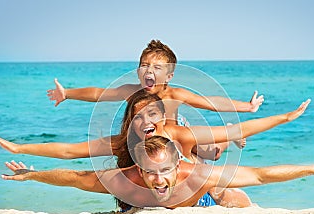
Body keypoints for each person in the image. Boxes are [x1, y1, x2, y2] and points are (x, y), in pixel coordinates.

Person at [0, 90, 310, 208]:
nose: (147, 122)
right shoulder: (120, 143)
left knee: (224, 190)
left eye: (153, 114)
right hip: (142, 194)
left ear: (162, 116)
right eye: (139, 116)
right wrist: (20, 149)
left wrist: (284, 117)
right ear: (131, 120)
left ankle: (220, 158)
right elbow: (70, 154)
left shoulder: (176, 133)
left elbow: (235, 128)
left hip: (186, 190)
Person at [47, 40, 265, 159]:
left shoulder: (175, 94)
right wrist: (67, 94)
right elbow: (98, 94)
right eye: (144, 65)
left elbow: (209, 102)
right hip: (151, 136)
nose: (149, 71)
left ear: (169, 76)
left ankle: (228, 135)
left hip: (178, 132)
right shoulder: (130, 91)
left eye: (157, 68)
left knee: (213, 154)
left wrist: (247, 107)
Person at [1, 136, 314, 209]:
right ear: (139, 168)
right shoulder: (128, 179)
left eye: (165, 170)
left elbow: (259, 174)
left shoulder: (196, 174)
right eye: (150, 172)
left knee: (232, 196)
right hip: (142, 208)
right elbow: (76, 178)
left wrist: (311, 168)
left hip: (200, 205)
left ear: (177, 165)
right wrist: (32, 175)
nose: (158, 179)